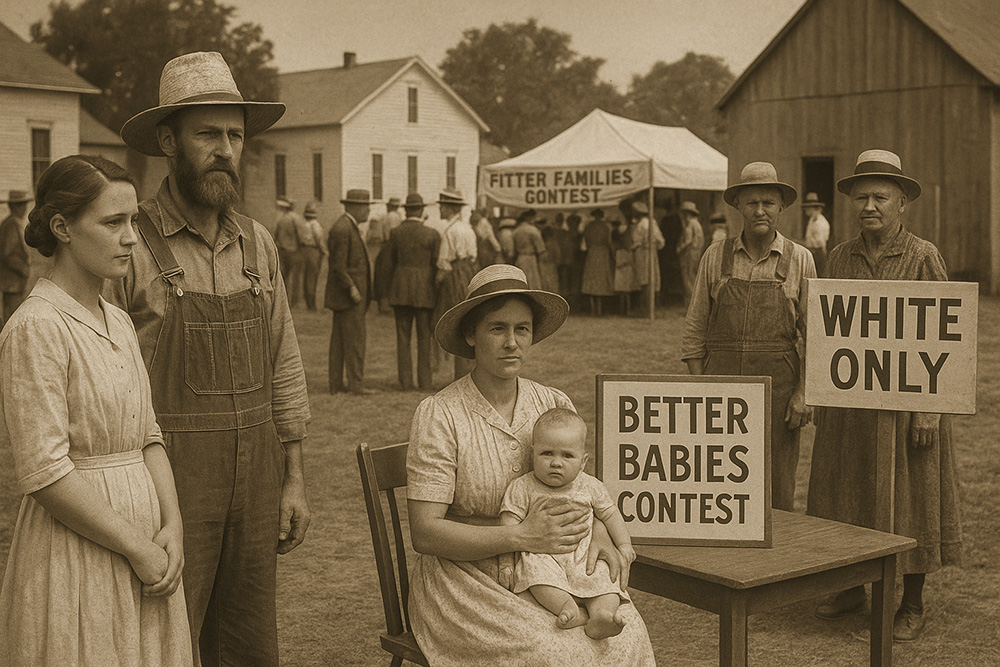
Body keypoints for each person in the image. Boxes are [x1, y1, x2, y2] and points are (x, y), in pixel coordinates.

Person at [113, 51, 311, 665]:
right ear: (167, 142)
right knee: (165, 637)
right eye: (207, 134)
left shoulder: (258, 242)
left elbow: (284, 361)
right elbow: (104, 382)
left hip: (256, 477)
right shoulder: (130, 244)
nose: (225, 149)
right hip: (168, 478)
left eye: (235, 135)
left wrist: (293, 477)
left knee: (248, 641)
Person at [406, 263, 656, 666]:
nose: (512, 343)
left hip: (555, 568)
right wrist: (521, 536)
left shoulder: (553, 404)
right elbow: (426, 534)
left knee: (625, 635)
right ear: (471, 334)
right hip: (465, 577)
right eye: (497, 328)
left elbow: (581, 489)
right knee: (555, 651)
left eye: (522, 329)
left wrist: (600, 533)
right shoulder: (441, 414)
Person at [0, 155, 191, 665]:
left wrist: (171, 526)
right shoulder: (37, 327)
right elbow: (44, 473)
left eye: (134, 221)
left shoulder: (119, 321)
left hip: (148, 545)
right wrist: (137, 547)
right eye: (113, 223)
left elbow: (149, 436)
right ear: (62, 227)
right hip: (78, 551)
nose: (131, 238)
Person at [806, 149, 963, 642]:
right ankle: (853, 585)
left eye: (880, 196)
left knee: (914, 499)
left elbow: (943, 339)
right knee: (849, 495)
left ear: (902, 203)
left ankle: (911, 602)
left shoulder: (923, 255)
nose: (869, 205)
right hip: (853, 407)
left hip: (908, 408)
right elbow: (829, 334)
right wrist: (823, 394)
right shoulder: (839, 256)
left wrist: (929, 410)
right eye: (862, 197)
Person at [681, 162, 815, 512]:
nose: (760, 211)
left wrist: (803, 394)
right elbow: (695, 329)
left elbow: (816, 336)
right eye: (751, 202)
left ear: (781, 207)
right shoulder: (715, 255)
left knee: (776, 484)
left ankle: (779, 560)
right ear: (738, 205)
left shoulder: (800, 259)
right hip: (721, 386)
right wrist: (701, 389)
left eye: (768, 203)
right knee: (718, 481)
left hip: (779, 388)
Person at [499, 408, 634, 640]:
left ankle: (602, 615)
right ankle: (567, 608)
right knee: (536, 575)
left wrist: (624, 546)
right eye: (547, 453)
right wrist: (505, 564)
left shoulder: (590, 486)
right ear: (533, 454)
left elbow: (611, 514)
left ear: (583, 462)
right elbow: (508, 526)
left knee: (605, 577)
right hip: (543, 555)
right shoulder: (523, 487)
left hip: (583, 555)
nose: (556, 463)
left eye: (567, 456)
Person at [384, 193, 440, 390]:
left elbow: (388, 264)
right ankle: (425, 381)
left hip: (401, 289)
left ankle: (405, 382)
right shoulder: (432, 234)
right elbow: (436, 266)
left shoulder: (395, 233)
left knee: (403, 337)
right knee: (424, 337)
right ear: (422, 210)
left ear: (405, 210)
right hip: (424, 291)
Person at [327, 188, 374, 394]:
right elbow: (338, 265)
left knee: (339, 341)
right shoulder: (343, 229)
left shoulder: (347, 226)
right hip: (349, 297)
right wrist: (352, 287)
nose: (368, 211)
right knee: (354, 340)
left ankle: (336, 385)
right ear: (353, 207)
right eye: (365, 206)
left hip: (346, 296)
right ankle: (356, 384)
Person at [434, 187, 478, 381]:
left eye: (442, 207)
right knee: (468, 323)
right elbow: (474, 256)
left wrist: (436, 282)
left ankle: (459, 375)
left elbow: (444, 263)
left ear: (449, 208)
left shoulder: (450, 231)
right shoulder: (468, 229)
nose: (440, 210)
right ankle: (467, 373)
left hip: (454, 277)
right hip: (469, 274)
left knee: (453, 323)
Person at [0, 190, 32, 324]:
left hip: (15, 281)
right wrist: (23, 270)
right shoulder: (11, 225)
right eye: (20, 205)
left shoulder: (15, 223)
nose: (24, 208)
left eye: (24, 204)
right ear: (13, 207)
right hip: (12, 282)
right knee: (12, 317)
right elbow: (8, 255)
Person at [630, 201, 666, 317]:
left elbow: (636, 242)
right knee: (653, 278)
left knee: (644, 280)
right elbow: (661, 242)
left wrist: (632, 247)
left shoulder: (641, 225)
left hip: (642, 253)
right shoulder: (652, 223)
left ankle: (645, 308)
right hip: (652, 252)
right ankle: (652, 308)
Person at [581, 208, 615, 316]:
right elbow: (609, 242)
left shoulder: (589, 226)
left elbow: (586, 241)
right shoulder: (606, 227)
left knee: (592, 278)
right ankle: (599, 309)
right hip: (602, 252)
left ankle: (593, 309)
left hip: (592, 252)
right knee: (601, 279)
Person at [676, 200, 705, 307]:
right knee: (692, 277)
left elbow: (688, 240)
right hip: (696, 252)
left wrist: (680, 248)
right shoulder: (697, 223)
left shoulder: (690, 224)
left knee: (687, 278)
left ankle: (691, 305)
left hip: (690, 253)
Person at [273, 197, 302, 304]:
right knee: (295, 276)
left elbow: (275, 235)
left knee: (283, 275)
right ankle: (294, 300)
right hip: (293, 250)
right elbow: (300, 234)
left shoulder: (280, 219)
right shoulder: (295, 218)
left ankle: (283, 299)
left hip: (282, 250)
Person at [300, 202, 326, 311]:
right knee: (312, 276)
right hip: (313, 250)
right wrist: (324, 251)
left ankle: (309, 302)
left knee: (307, 277)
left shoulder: (303, 224)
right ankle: (312, 304)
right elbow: (318, 240)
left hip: (305, 250)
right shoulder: (315, 225)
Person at [511, 209, 547, 289]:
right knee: (532, 281)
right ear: (528, 217)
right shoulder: (533, 230)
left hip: (520, 258)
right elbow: (541, 248)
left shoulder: (516, 230)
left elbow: (512, 250)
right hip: (530, 258)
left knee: (522, 279)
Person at [801, 192, 830, 277]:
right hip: (813, 252)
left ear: (813, 208)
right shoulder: (812, 220)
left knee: (817, 275)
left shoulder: (819, 222)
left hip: (817, 253)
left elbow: (819, 243)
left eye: (807, 208)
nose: (805, 210)